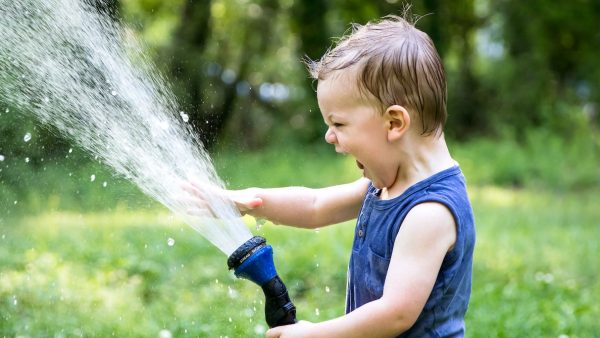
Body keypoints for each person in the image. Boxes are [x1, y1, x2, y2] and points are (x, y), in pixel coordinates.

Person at [187, 13, 475, 338]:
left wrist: (314, 334)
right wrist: (248, 202)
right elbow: (315, 205)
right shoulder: (386, 185)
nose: (329, 136)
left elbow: (395, 314)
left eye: (338, 124)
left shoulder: (430, 213)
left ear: (394, 123)